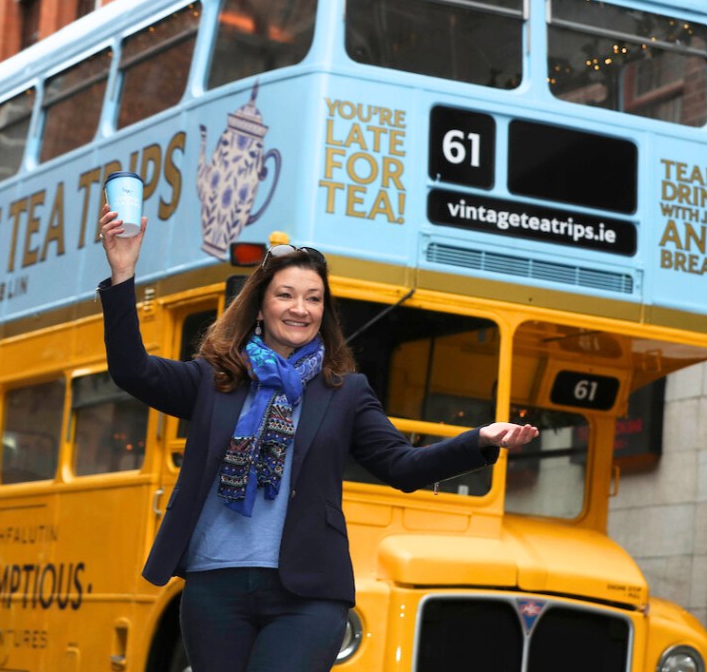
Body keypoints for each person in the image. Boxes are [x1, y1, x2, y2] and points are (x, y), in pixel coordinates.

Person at [96, 205, 539, 672]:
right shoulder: (213, 378)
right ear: (261, 306)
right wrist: (122, 273)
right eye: (286, 295)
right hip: (215, 586)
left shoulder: (345, 392)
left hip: (307, 594)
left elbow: (402, 467)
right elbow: (132, 370)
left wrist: (481, 440)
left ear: (323, 310)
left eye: (313, 298)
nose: (300, 309)